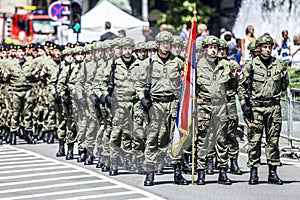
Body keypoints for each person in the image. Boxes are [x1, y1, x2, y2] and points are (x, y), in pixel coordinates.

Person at [137, 31, 188, 186]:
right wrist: (142, 98)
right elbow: (138, 85)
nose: (166, 46)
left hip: (173, 105)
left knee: (176, 138)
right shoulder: (148, 63)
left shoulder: (178, 62)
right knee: (152, 138)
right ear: (158, 44)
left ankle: (177, 173)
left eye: (168, 43)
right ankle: (150, 173)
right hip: (156, 104)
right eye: (163, 43)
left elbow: (187, 83)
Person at [238, 34, 289, 185]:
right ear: (259, 48)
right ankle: (253, 173)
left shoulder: (278, 64)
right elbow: (241, 85)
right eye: (265, 47)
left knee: (273, 141)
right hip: (257, 108)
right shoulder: (252, 65)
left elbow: (284, 84)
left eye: (270, 47)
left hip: (273, 107)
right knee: (255, 141)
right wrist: (244, 104)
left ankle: (273, 173)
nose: (268, 50)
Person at [195, 36, 235, 185]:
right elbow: (191, 88)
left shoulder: (226, 65)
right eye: (210, 47)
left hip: (220, 106)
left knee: (221, 140)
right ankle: (201, 172)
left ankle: (223, 172)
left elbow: (235, 83)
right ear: (205, 49)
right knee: (203, 140)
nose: (213, 50)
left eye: (216, 48)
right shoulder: (198, 66)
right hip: (204, 107)